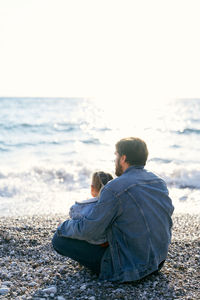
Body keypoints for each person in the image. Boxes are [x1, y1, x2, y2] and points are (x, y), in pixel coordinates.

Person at [52, 137, 174, 282]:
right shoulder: (159, 182)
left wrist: (64, 227)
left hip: (129, 269)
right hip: (157, 262)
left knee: (59, 240)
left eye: (115, 156)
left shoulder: (114, 187)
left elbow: (89, 230)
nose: (114, 160)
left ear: (123, 158)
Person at [69, 171, 113, 245]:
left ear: (92, 188)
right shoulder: (115, 205)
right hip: (108, 242)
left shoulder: (81, 207)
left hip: (91, 242)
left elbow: (72, 212)